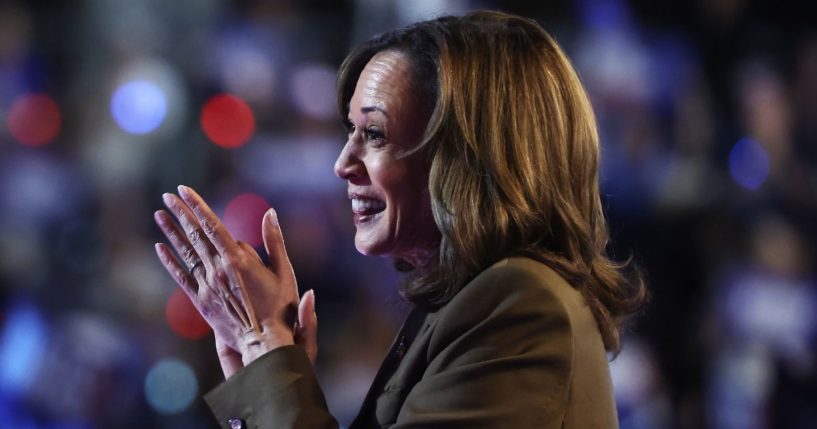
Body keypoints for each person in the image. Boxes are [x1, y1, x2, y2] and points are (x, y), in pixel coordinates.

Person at [153, 10, 647, 429]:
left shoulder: (519, 306)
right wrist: (263, 368)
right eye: (350, 132)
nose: (342, 164)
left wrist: (268, 353)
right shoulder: (473, 302)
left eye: (374, 134)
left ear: (468, 153)